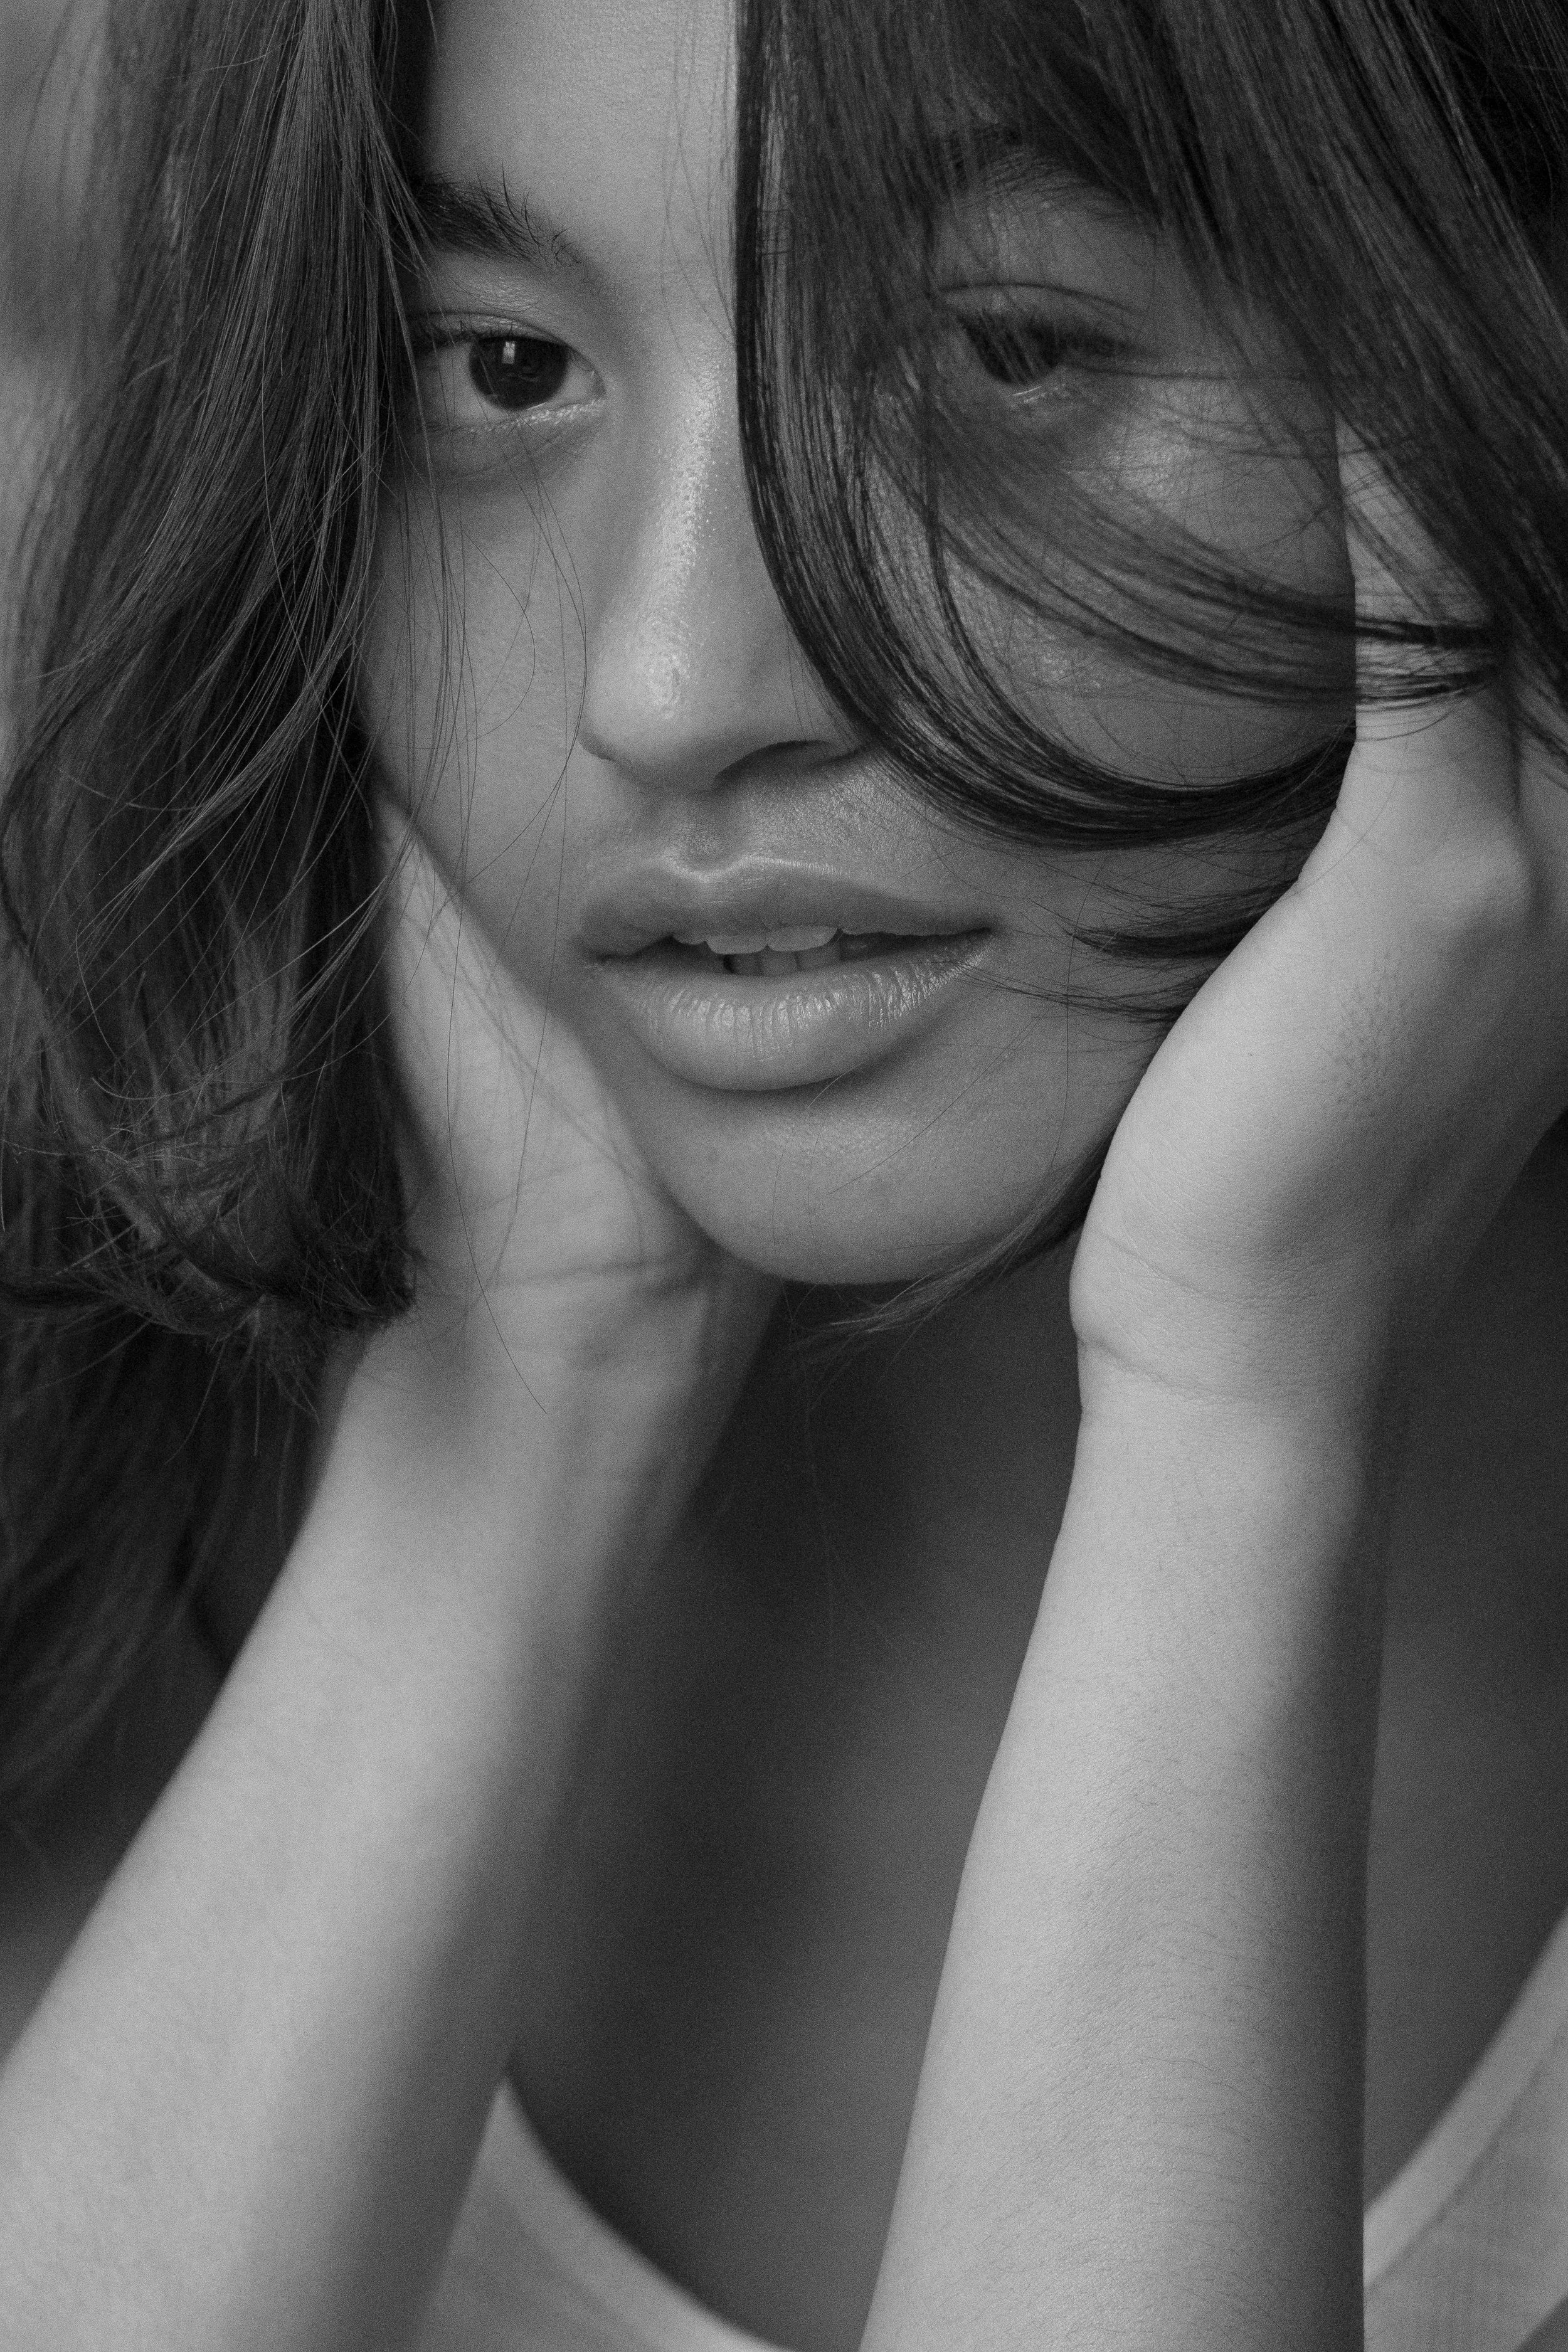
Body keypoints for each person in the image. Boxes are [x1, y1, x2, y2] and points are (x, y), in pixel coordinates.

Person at [2, 0, 1568, 2346]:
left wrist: (1237, 1407)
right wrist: (519, 1416)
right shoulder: (69, 1500)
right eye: (501, 371)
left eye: (1006, 348)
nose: (672, 675)